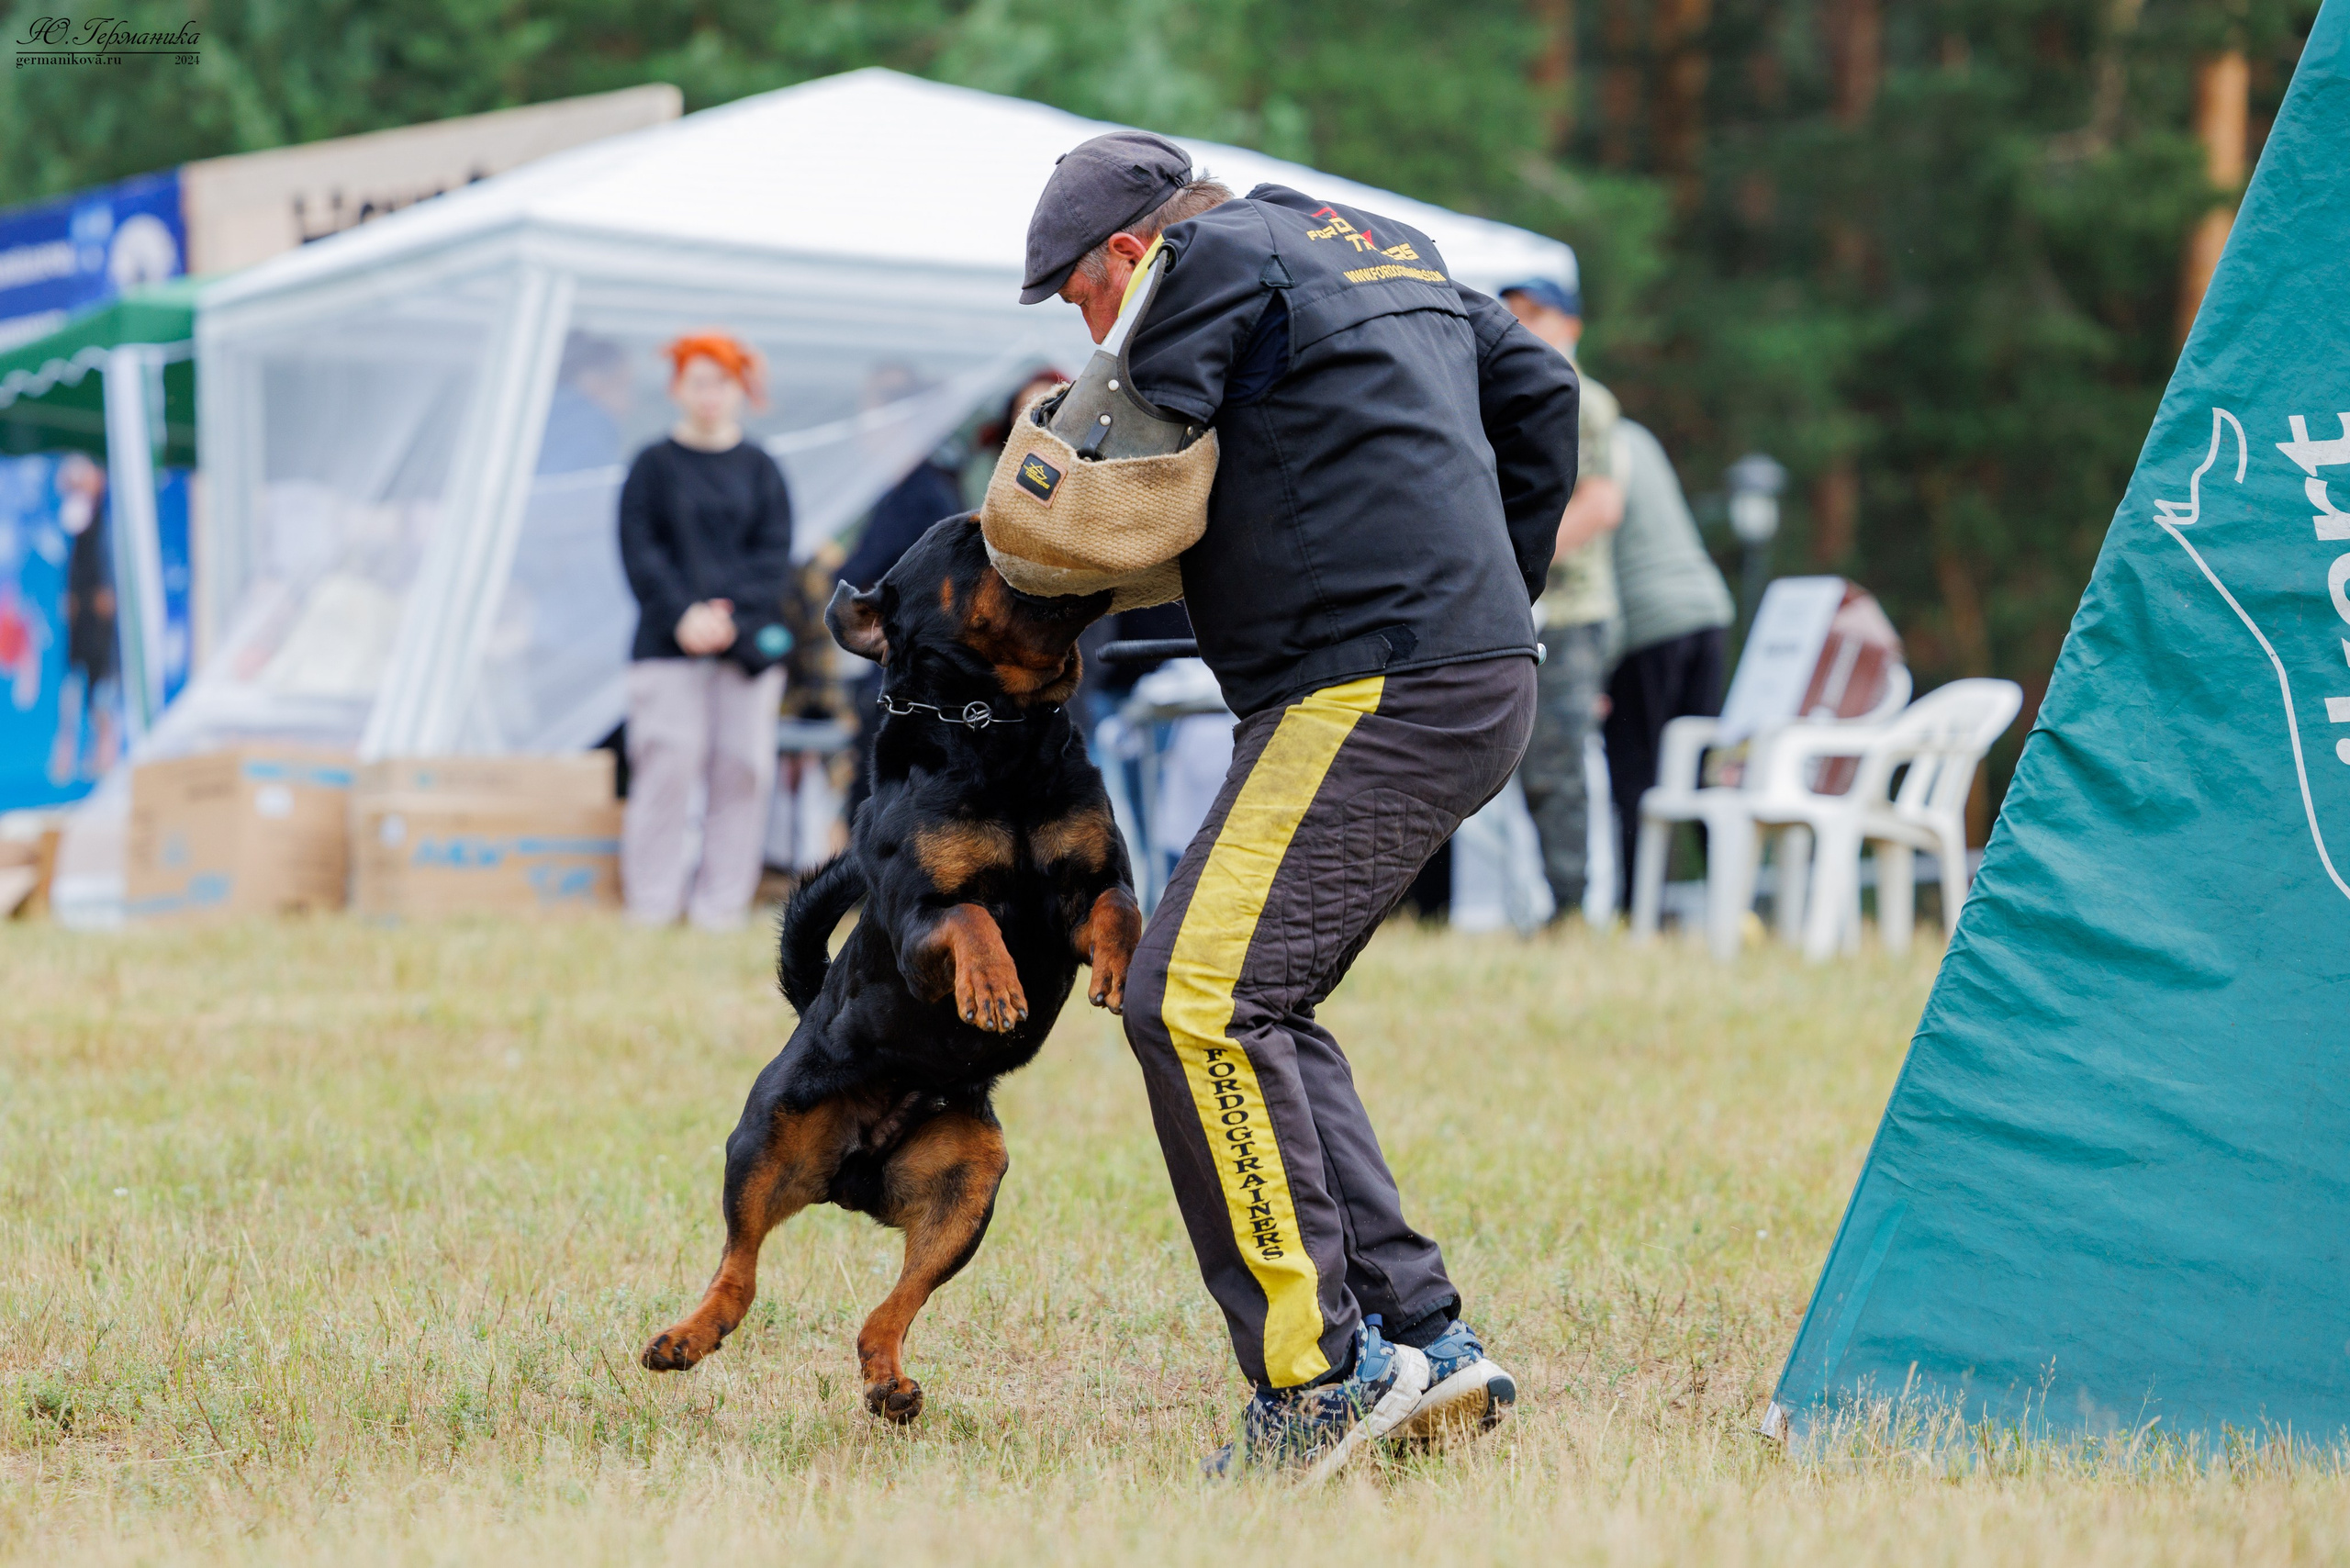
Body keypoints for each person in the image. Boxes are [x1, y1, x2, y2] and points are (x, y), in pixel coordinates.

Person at [1019, 132, 1579, 1474]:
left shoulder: (1197, 261)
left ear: (1123, 254)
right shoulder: (1385, 241)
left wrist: (1045, 498)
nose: (1095, 323)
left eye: (1080, 296)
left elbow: (1116, 470)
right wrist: (1501, 583)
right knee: (1260, 999)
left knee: (1191, 1001)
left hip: (1370, 684)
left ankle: (1316, 1382)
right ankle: (1421, 1342)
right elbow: (1544, 392)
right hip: (1469, 673)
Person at [617, 332, 796, 930]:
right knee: (668, 765)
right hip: (667, 648)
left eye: (721, 382)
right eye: (698, 382)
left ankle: (720, 908)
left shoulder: (761, 468)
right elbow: (642, 553)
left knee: (741, 769)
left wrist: (729, 617)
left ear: (739, 389)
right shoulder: (652, 465)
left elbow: (773, 556)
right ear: (677, 389)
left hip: (744, 647)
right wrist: (683, 614)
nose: (710, 395)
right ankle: (653, 905)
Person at [1499, 274, 1624, 922]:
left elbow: (1601, 504)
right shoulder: (1511, 392)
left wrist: (1514, 572)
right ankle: (1543, 907)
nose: (1520, 323)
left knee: (1559, 765)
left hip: (1572, 612)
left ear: (1572, 326)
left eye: (1536, 313)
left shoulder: (1584, 398)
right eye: (1511, 311)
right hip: (1527, 607)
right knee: (1522, 765)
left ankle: (1573, 910)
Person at [1602, 418, 1733, 899]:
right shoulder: (1636, 434)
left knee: (1638, 774)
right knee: (1702, 769)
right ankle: (1732, 902)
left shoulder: (1580, 436)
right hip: (1706, 608)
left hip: (1649, 621)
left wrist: (1597, 668)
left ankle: (1641, 909)